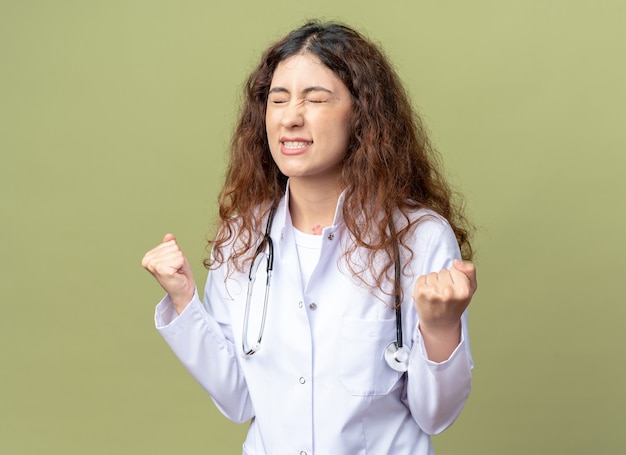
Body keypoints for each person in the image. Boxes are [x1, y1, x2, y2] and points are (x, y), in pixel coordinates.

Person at [142, 20, 477, 455]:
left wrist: (440, 327)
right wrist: (185, 301)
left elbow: (436, 416)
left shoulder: (419, 239)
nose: (291, 117)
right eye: (278, 100)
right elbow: (239, 399)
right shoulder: (242, 237)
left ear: (362, 115)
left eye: (315, 99)